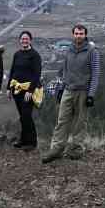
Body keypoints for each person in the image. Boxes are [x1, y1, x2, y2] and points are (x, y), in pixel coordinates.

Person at [42, 24, 100, 164]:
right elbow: (64, 70)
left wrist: (91, 95)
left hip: (83, 91)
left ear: (85, 35)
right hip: (68, 89)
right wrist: (61, 87)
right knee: (62, 120)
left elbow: (96, 74)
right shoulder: (69, 49)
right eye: (76, 33)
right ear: (73, 34)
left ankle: (76, 150)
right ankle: (56, 149)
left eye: (81, 33)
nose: (78, 36)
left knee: (80, 122)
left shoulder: (92, 51)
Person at [7, 30, 42, 150]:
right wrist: (9, 88)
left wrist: (30, 91)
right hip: (17, 89)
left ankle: (32, 142)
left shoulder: (35, 55)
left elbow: (37, 74)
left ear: (30, 40)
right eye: (22, 39)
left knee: (27, 115)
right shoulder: (17, 54)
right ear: (20, 40)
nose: (24, 40)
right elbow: (13, 71)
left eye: (26, 39)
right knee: (22, 116)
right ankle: (23, 140)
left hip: (29, 90)